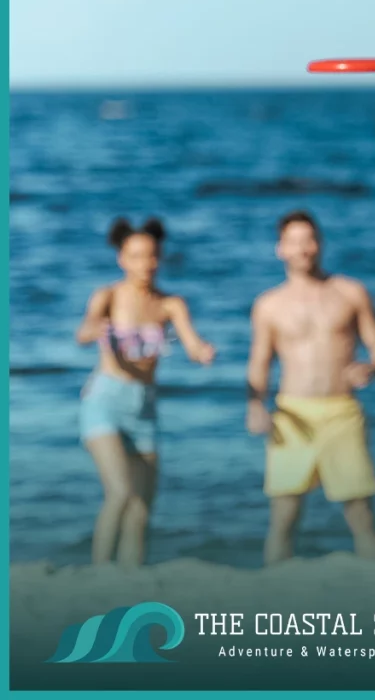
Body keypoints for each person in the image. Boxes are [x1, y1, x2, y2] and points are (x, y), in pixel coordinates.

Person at [246, 210, 375, 565]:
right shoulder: (269, 305)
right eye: (294, 242)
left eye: (309, 240)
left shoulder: (350, 292)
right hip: (292, 414)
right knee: (284, 513)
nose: (303, 249)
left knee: (360, 512)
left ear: (320, 243)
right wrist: (254, 405)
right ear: (280, 249)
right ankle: (273, 587)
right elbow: (260, 361)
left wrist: (371, 367)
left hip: (342, 411)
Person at [76, 217, 216, 566]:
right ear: (121, 259)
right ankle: (99, 572)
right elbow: (84, 331)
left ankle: (130, 579)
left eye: (151, 256)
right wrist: (96, 330)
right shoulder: (107, 296)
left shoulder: (170, 304)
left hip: (144, 407)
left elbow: (192, 343)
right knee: (120, 492)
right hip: (103, 401)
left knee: (141, 506)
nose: (145, 264)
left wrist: (203, 353)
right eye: (136, 256)